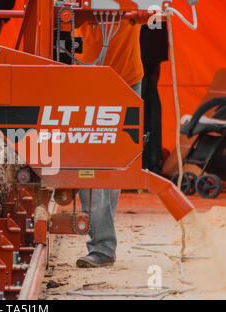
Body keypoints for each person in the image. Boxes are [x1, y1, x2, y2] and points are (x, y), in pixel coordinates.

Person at [73, 13, 145, 268]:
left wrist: (142, 14)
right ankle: (102, 244)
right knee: (86, 161)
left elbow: (154, 12)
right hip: (86, 75)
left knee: (116, 161)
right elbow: (59, 16)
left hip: (127, 77)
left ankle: (103, 241)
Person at [140, 22, 168, 175]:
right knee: (149, 95)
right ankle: (152, 163)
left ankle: (147, 162)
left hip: (142, 31)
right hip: (154, 28)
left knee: (142, 97)